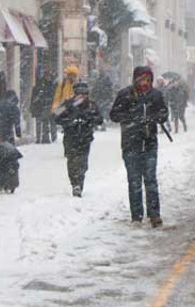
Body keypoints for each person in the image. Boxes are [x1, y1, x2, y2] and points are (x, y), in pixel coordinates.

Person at [107, 66, 170, 226]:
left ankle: (154, 214)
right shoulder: (125, 94)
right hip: (131, 144)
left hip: (149, 143)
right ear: (136, 80)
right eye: (142, 79)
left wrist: (153, 118)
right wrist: (132, 120)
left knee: (150, 180)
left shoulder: (155, 95)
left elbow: (163, 114)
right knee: (134, 181)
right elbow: (113, 115)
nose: (145, 83)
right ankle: (136, 216)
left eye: (148, 80)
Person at [56, 80, 103, 197]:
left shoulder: (92, 105)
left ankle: (79, 183)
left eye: (84, 94)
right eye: (79, 93)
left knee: (82, 162)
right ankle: (75, 184)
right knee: (72, 161)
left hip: (85, 138)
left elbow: (100, 119)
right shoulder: (67, 104)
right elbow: (56, 116)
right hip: (70, 138)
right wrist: (69, 122)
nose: (81, 96)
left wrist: (89, 120)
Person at [31, 67, 58, 144]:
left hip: (49, 106)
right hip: (43, 107)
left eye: (49, 76)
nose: (48, 77)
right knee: (45, 122)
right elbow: (35, 98)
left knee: (50, 122)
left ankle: (52, 138)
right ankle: (44, 138)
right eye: (46, 75)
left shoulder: (52, 85)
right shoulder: (41, 85)